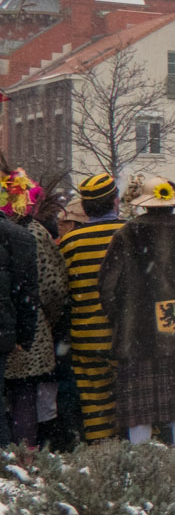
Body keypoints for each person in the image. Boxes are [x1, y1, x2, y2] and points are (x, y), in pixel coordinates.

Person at [98, 175, 175, 445]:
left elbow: (107, 285)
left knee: (139, 406)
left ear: (145, 204)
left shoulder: (125, 234)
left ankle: (141, 461)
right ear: (172, 204)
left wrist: (121, 317)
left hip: (135, 332)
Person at [60, 172, 127, 443]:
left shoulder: (70, 242)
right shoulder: (130, 234)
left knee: (95, 404)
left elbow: (60, 291)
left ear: (85, 207)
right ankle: (140, 454)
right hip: (127, 335)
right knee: (134, 401)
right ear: (115, 201)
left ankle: (102, 455)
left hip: (86, 337)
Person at [3, 174, 64, 450]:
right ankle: (24, 453)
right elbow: (52, 285)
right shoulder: (34, 234)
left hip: (13, 322)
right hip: (28, 326)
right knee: (25, 392)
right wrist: (48, 318)